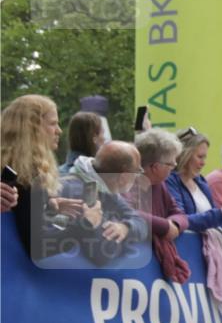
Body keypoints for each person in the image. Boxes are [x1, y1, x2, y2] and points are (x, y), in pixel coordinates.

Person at [1, 94, 88, 260]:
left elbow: (18, 218)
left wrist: (48, 207)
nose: (59, 131)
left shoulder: (11, 167)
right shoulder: (29, 174)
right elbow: (37, 247)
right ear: (33, 129)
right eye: (53, 124)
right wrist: (86, 227)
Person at [60, 141, 149, 264]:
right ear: (123, 176)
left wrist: (125, 227)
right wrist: (124, 242)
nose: (138, 177)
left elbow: (141, 223)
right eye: (137, 171)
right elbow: (105, 252)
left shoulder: (107, 188)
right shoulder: (77, 193)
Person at [133, 130, 192, 283]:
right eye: (171, 164)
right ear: (155, 167)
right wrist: (165, 227)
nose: (174, 166)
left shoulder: (160, 185)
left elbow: (179, 214)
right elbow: (127, 213)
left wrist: (175, 225)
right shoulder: (127, 182)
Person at [165, 127, 222, 233]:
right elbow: (180, 220)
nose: (203, 163)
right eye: (200, 157)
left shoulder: (201, 182)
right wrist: (221, 214)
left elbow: (214, 224)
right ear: (184, 155)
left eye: (205, 157)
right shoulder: (170, 181)